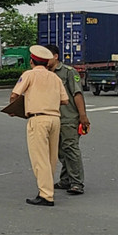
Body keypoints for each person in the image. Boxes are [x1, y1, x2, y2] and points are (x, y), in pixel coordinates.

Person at [9, 45, 68, 207]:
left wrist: (15, 108)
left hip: (38, 119)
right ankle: (47, 189)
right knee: (51, 158)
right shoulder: (55, 77)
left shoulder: (29, 74)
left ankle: (46, 194)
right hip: (55, 118)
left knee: (39, 158)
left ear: (32, 61)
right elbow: (65, 100)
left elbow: (15, 94)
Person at [45, 44, 90, 195]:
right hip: (53, 116)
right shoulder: (44, 73)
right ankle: (66, 180)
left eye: (47, 55)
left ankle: (77, 182)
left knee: (70, 148)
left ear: (56, 56)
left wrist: (82, 115)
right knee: (60, 151)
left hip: (69, 116)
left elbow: (77, 93)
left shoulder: (69, 72)